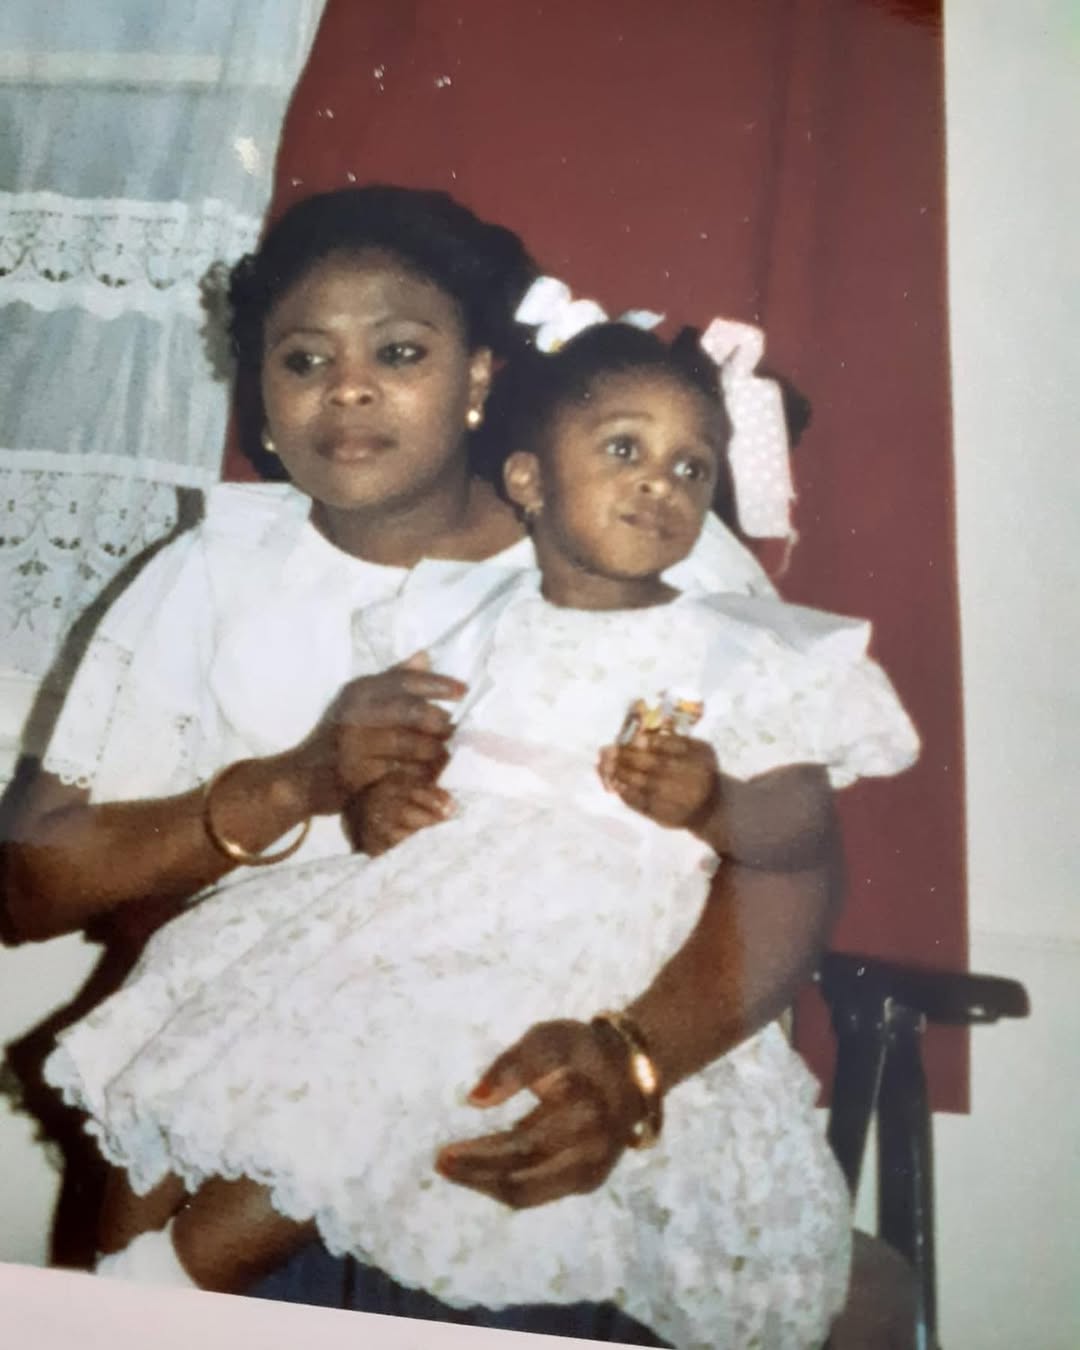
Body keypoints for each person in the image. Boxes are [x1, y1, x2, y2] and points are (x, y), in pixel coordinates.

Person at [41, 312, 919, 1348]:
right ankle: (121, 1295)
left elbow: (800, 838)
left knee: (376, 1077)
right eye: (625, 450)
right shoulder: (475, 612)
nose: (661, 484)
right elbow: (414, 753)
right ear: (530, 481)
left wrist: (718, 803)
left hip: (581, 946)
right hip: (431, 911)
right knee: (206, 1003)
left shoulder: (735, 646)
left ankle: (165, 1283)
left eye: (692, 467)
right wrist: (379, 806)